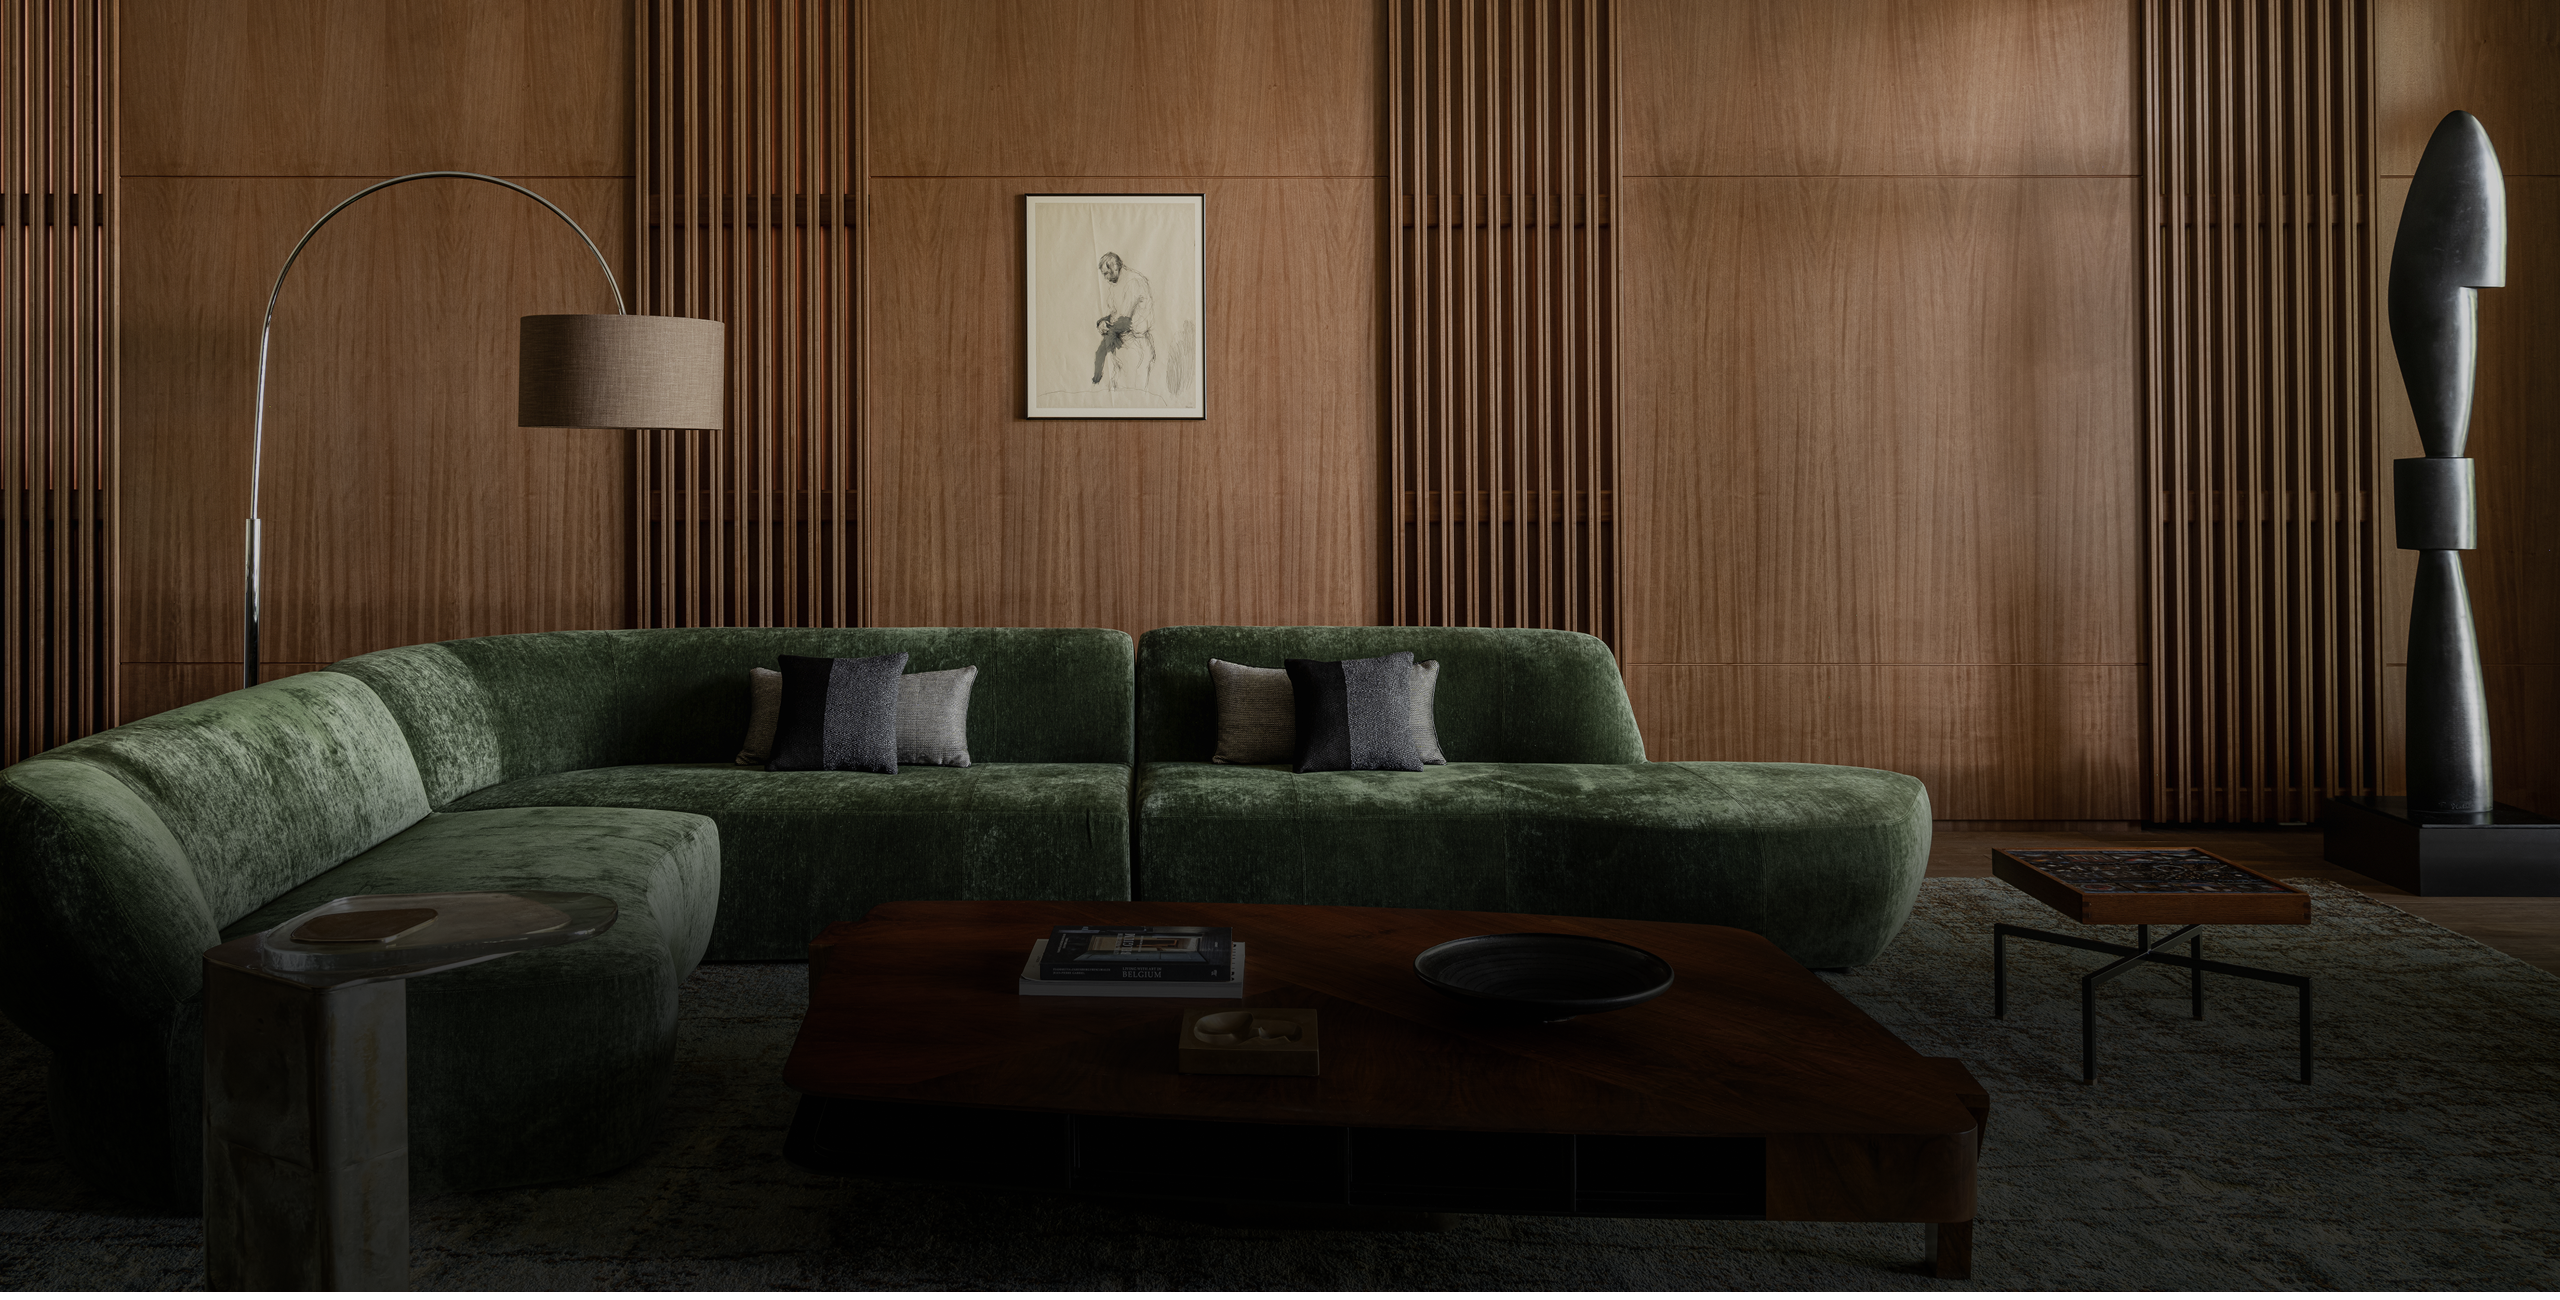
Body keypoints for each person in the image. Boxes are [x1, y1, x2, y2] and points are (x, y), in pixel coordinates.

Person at [1090, 252, 1157, 389]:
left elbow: (1124, 320)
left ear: (1115, 267)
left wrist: (1107, 329)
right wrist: (1102, 322)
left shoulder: (1133, 282)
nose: (1105, 278)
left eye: (1107, 273)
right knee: (1116, 388)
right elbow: (1114, 314)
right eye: (1103, 274)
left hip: (1136, 346)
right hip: (1123, 346)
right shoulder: (1116, 284)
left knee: (1132, 393)